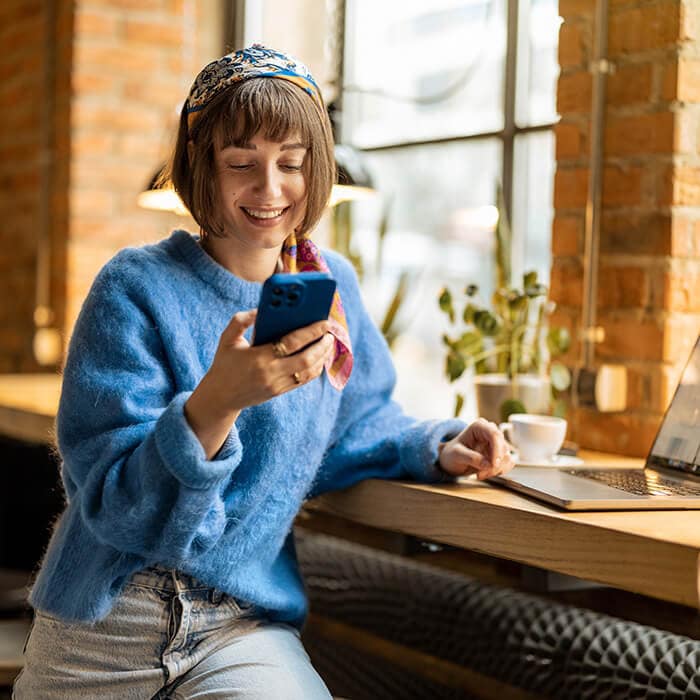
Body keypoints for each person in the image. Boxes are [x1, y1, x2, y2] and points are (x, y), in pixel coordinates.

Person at [14, 45, 514, 699]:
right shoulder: (133, 288)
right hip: (109, 619)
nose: (270, 189)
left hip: (239, 623)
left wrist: (437, 445)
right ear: (202, 168)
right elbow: (116, 509)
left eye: (292, 163)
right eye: (241, 162)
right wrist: (216, 404)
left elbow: (354, 423)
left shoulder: (330, 288)